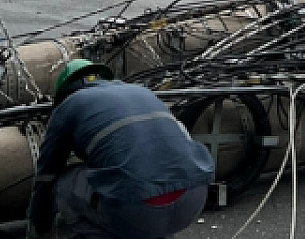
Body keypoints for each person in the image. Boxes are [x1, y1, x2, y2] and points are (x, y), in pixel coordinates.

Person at [27, 59, 214, 239]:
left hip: (139, 211)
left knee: (62, 184)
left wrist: (39, 224)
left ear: (64, 93)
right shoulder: (142, 92)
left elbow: (46, 175)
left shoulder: (68, 105)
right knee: (153, 187)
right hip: (193, 198)